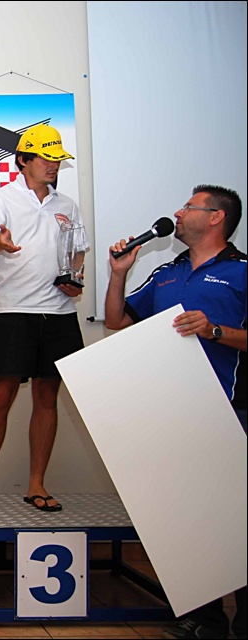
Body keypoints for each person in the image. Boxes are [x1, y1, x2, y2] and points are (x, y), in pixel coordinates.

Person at [104, 184, 246, 640]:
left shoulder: (243, 271)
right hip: (175, 414)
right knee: (191, 520)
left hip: (231, 411)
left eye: (189, 206)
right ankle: (205, 620)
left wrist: (215, 330)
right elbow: (117, 320)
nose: (178, 213)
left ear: (217, 217)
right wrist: (119, 274)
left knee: (238, 519)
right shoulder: (168, 271)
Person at [0, 123, 86, 514]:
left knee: (48, 397)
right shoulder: (0, 197)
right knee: (1, 396)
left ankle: (37, 484)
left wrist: (76, 278)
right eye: (47, 159)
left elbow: (77, 251)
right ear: (23, 160)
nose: (54, 166)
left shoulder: (67, 205)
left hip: (60, 312)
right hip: (14, 309)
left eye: (58, 160)